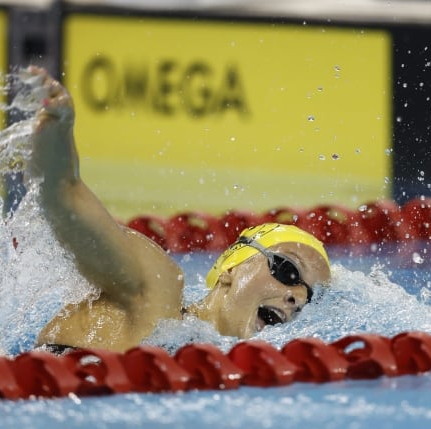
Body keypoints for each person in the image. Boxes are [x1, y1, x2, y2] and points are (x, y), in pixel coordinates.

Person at [26, 67, 331, 353]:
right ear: (230, 271)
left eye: (309, 295)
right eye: (287, 270)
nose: (299, 298)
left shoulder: (218, 368)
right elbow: (63, 196)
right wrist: (59, 130)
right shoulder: (156, 292)